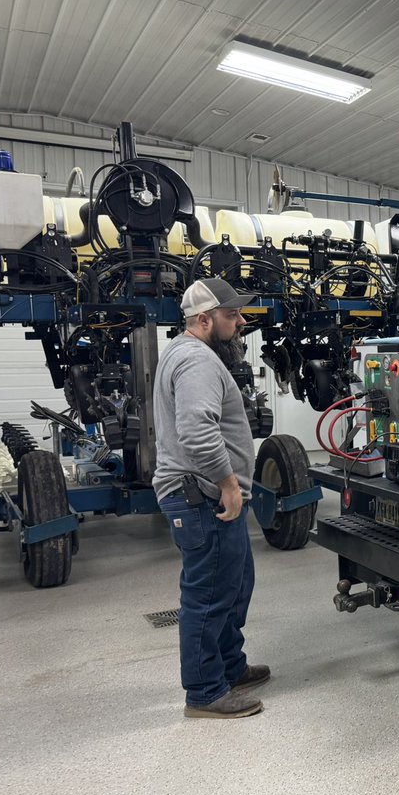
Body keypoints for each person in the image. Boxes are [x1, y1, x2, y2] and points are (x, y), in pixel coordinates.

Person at [153, 277, 269, 719]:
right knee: (209, 594)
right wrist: (228, 484)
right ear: (204, 319)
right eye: (230, 315)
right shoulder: (196, 361)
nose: (239, 322)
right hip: (202, 495)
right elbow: (197, 431)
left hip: (204, 492)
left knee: (235, 583)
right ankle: (204, 692)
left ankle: (229, 667)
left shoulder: (187, 354)